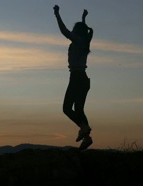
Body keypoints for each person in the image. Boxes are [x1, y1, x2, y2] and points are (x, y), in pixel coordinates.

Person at [53, 5, 94, 150]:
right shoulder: (84, 41)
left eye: (75, 29)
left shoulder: (78, 41)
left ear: (78, 32)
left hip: (77, 78)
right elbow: (86, 31)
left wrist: (57, 15)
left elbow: (64, 31)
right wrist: (83, 19)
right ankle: (86, 136)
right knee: (79, 110)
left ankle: (84, 129)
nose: (73, 31)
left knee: (66, 108)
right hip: (83, 79)